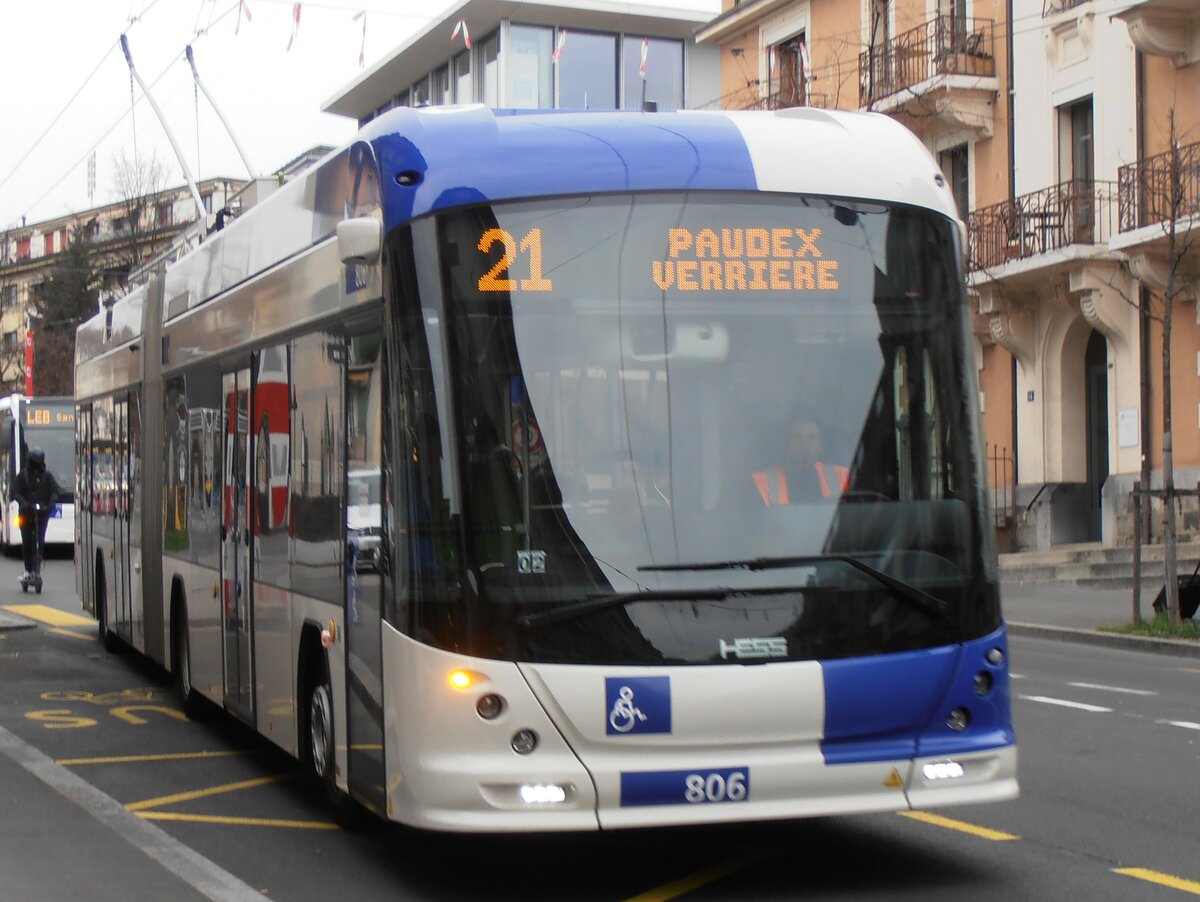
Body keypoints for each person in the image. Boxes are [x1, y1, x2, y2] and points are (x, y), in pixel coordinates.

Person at [753, 413, 849, 505]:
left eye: (812, 438)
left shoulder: (843, 477)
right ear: (785, 444)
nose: (805, 446)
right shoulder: (761, 483)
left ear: (820, 444)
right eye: (797, 438)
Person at [10, 448, 60, 580]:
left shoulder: (47, 477)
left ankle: (37, 565)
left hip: (42, 513)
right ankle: (28, 570)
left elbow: (55, 491)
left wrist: (51, 503)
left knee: (39, 540)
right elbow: (15, 492)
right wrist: (23, 502)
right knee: (27, 541)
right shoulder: (23, 476)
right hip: (26, 513)